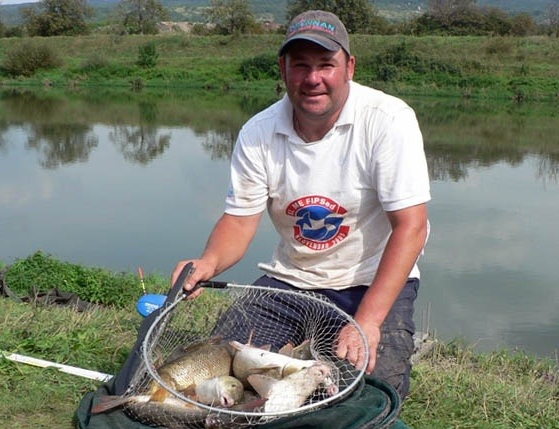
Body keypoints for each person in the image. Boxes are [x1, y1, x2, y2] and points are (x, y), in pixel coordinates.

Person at [172, 10, 430, 400]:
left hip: (372, 283)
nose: (313, 79)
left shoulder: (389, 120)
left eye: (326, 65)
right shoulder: (258, 132)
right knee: (225, 367)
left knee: (374, 391)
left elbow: (411, 227)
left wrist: (368, 322)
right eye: (301, 66)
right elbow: (240, 222)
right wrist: (208, 262)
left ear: (349, 67)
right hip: (291, 282)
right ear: (283, 68)